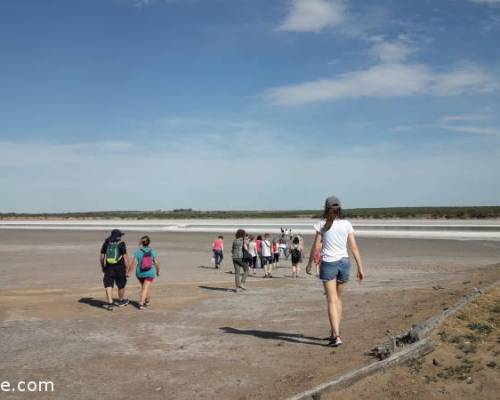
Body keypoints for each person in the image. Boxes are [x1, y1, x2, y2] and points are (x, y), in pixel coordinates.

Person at [306, 195, 365, 347]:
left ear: (326, 208)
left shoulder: (322, 224)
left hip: (329, 263)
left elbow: (316, 246)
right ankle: (334, 333)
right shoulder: (346, 224)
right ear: (339, 208)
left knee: (331, 300)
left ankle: (337, 336)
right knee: (338, 299)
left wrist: (309, 264)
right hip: (344, 263)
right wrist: (360, 267)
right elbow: (354, 247)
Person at [99, 229, 130, 311]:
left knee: (108, 284)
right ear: (118, 237)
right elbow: (125, 258)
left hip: (109, 268)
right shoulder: (121, 244)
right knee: (121, 285)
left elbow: (102, 257)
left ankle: (110, 303)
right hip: (120, 268)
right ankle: (121, 301)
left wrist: (103, 267)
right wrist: (127, 269)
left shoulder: (106, 243)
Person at [129, 235, 160, 310]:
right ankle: (141, 303)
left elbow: (133, 263)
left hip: (140, 273)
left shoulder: (137, 252)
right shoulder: (153, 252)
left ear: (142, 243)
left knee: (144, 287)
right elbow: (156, 263)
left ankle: (147, 300)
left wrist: (129, 272)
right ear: (149, 242)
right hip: (150, 272)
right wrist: (158, 271)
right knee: (145, 288)